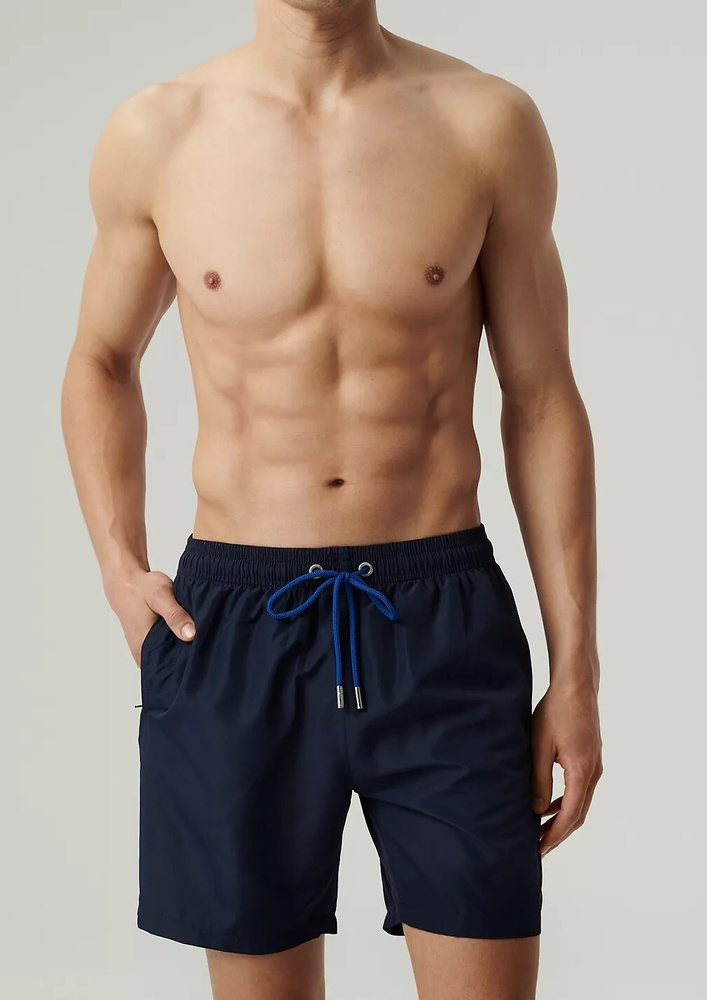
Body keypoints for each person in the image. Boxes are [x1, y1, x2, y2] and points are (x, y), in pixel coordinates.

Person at [61, 1, 603, 997]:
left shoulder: (483, 122)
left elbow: (539, 397)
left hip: (440, 620)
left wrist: (576, 670)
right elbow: (101, 358)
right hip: (234, 626)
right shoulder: (159, 131)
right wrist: (117, 564)